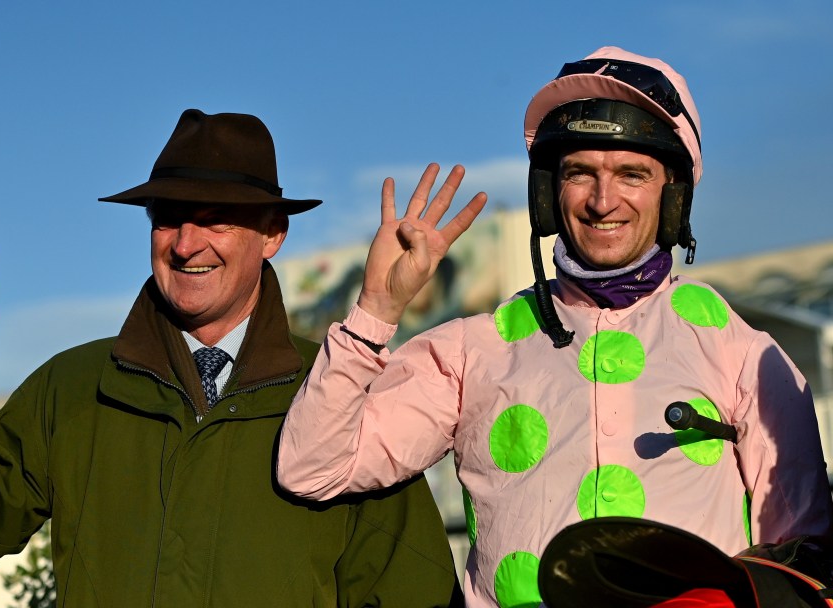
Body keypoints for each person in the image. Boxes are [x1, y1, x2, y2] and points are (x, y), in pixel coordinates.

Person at [276, 47, 833, 608]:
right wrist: (376, 308)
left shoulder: (743, 355)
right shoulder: (472, 350)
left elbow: (802, 564)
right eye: (579, 174)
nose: (601, 200)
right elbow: (313, 469)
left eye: (632, 174)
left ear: (673, 194)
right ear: (548, 195)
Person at [0, 109, 464, 607]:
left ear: (273, 234)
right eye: (169, 217)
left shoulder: (345, 393)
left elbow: (412, 587)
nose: (186, 244)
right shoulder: (75, 387)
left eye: (215, 218)